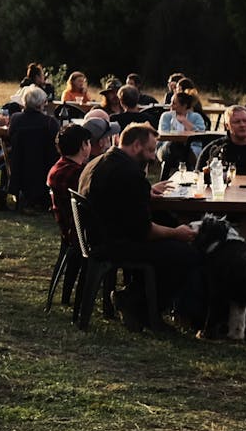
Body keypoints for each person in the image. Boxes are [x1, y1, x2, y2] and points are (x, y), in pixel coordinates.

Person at [77, 123, 201, 329]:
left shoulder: (98, 162)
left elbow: (119, 199)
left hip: (97, 236)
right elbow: (145, 231)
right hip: (114, 243)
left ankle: (132, 296)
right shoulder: (129, 174)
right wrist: (177, 233)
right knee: (185, 254)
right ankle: (142, 308)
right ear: (136, 145)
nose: (153, 157)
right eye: (151, 150)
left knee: (168, 229)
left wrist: (146, 192)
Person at [6, 86, 59, 211]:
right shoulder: (50, 122)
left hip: (20, 163)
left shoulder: (15, 119)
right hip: (44, 165)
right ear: (41, 103)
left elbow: (9, 136)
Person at [46, 124, 93, 249]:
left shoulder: (58, 167)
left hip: (70, 232)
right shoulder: (78, 174)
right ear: (83, 145)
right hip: (84, 235)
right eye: (88, 142)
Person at [155, 91, 207, 172]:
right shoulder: (166, 116)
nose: (171, 105)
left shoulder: (196, 117)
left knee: (186, 148)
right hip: (166, 148)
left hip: (192, 148)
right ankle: (188, 166)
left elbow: (201, 134)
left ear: (184, 105)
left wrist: (185, 122)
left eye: (174, 103)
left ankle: (186, 164)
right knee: (175, 144)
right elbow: (163, 134)